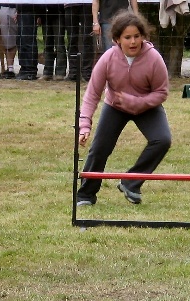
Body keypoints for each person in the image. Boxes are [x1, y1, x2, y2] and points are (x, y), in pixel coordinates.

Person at [76, 10, 171, 207]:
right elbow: (92, 93)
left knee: (162, 140)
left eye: (137, 36)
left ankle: (131, 182)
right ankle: (86, 195)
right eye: (127, 37)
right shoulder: (108, 58)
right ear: (117, 39)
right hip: (115, 106)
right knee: (99, 148)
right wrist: (84, 125)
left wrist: (137, 102)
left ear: (143, 36)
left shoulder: (154, 58)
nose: (133, 42)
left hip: (146, 106)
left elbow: (162, 92)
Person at [64, 1, 94, 81]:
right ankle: (73, 72)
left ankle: (87, 72)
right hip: (69, 5)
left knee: (87, 39)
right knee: (71, 39)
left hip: (87, 4)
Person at [41, 4, 67, 80]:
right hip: (45, 14)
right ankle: (47, 72)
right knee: (47, 44)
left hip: (59, 12)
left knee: (59, 43)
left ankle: (60, 73)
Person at [0, 6, 19, 78]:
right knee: (7, 39)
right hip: (4, 7)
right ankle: (10, 69)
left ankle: (27, 69)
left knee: (19, 38)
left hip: (18, 7)